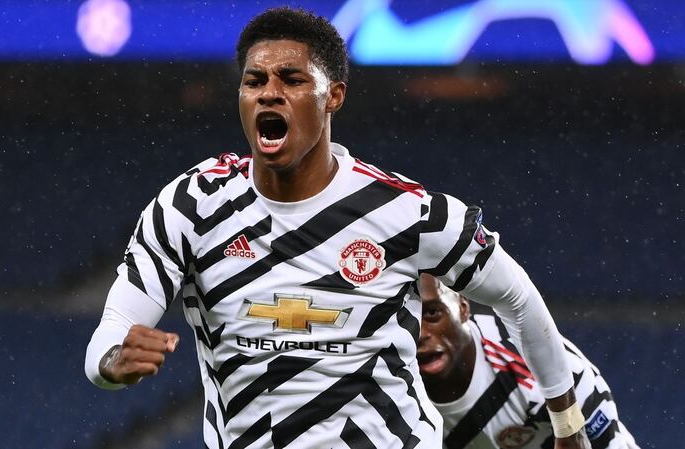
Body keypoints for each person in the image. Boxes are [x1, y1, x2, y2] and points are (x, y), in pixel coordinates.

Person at [85, 7, 589, 449]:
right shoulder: (190, 206)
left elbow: (518, 298)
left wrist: (567, 425)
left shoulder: (406, 212)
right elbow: (110, 333)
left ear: (334, 97)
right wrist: (112, 364)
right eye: (255, 81)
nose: (270, 94)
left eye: (292, 79)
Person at [417, 274, 639, 449]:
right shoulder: (392, 389)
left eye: (433, 313)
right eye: (407, 320)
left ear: (463, 308)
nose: (420, 334)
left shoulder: (532, 360)